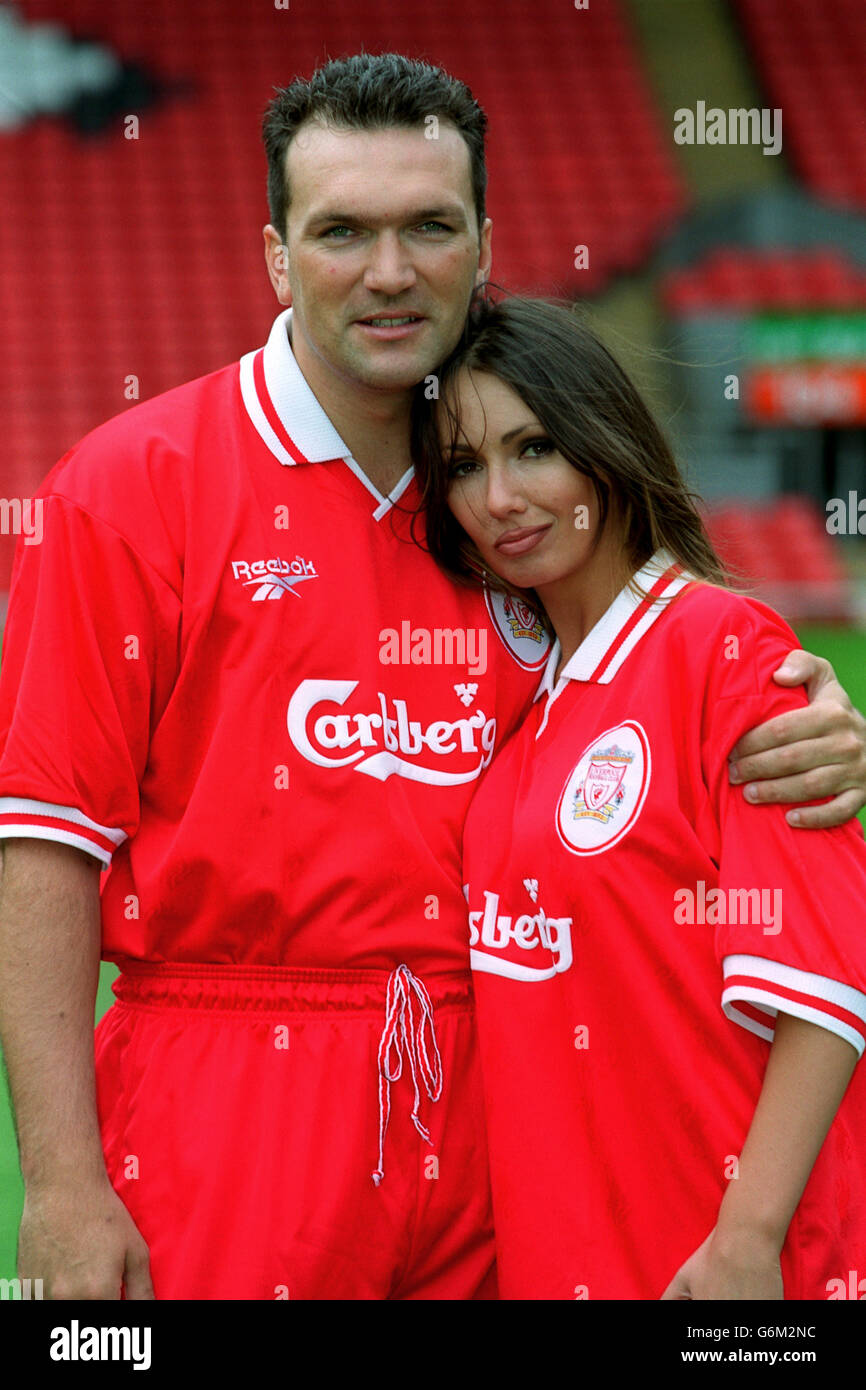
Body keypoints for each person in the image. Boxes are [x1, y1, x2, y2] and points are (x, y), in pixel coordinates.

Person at [0, 56, 863, 1304]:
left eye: (428, 227)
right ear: (275, 256)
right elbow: (42, 841)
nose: (390, 270)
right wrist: (67, 1186)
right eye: (341, 229)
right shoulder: (130, 485)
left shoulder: (505, 502)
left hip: (507, 1093)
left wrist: (811, 718)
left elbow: (671, 667)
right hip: (229, 1087)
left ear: (483, 242)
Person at [411, 293, 866, 1300]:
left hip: (726, 1272)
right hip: (559, 1260)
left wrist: (744, 1238)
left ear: (602, 444)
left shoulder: (720, 650)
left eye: (532, 449)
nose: (497, 498)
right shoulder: (513, 695)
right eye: (461, 467)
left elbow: (828, 982)